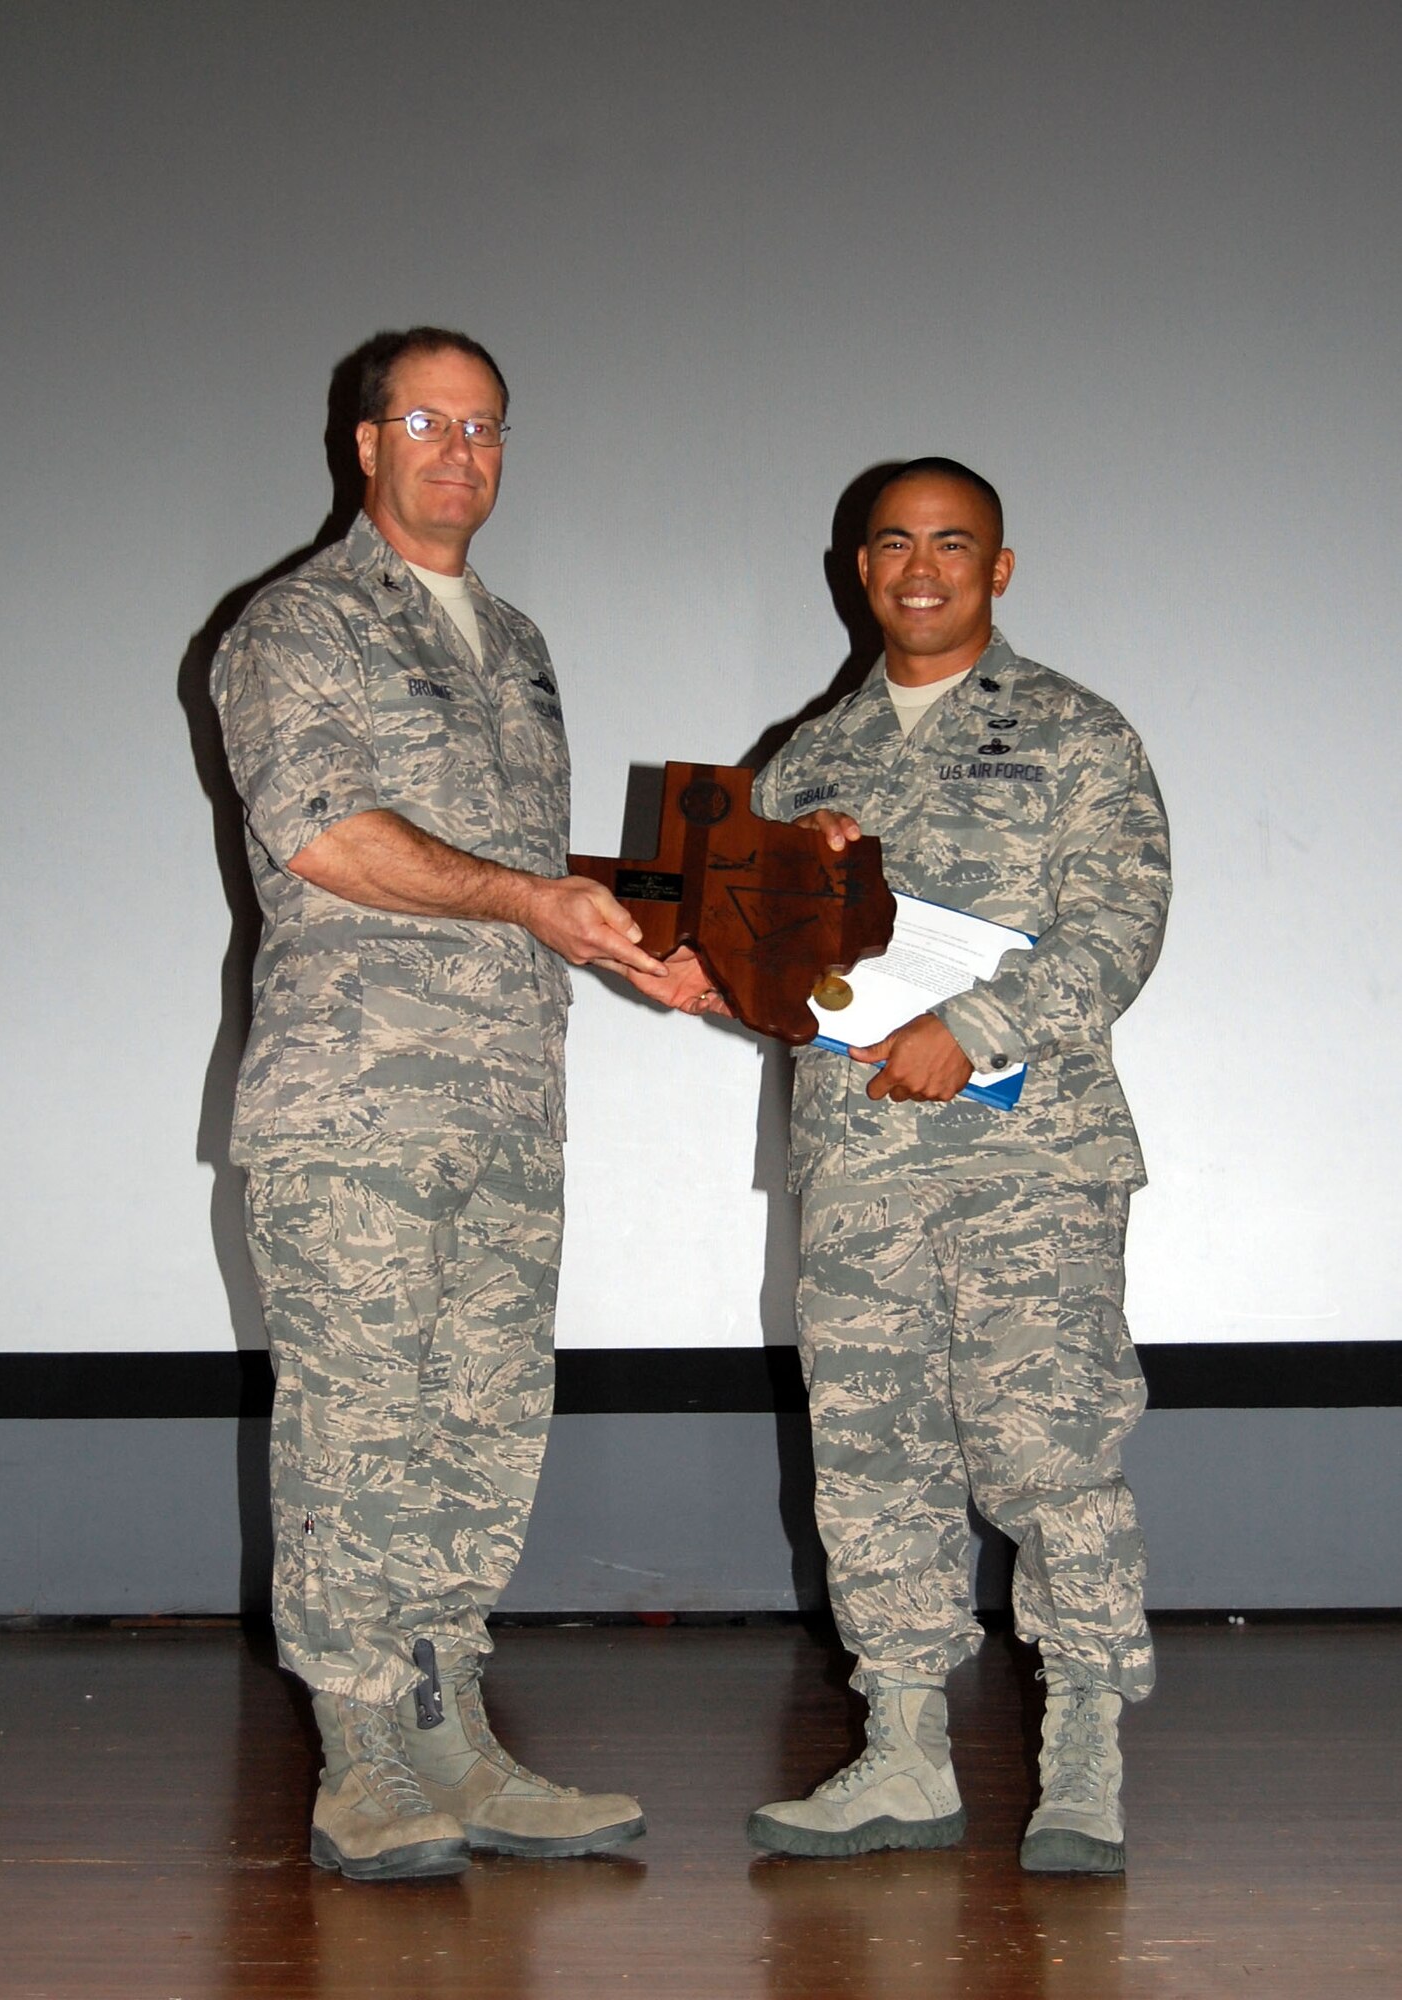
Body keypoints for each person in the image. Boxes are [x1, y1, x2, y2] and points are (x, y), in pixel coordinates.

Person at [211, 326, 699, 1880]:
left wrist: (643, 946)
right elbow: (330, 839)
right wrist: (530, 901)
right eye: (429, 422)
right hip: (355, 1102)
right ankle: (360, 1754)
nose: (461, 452)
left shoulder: (518, 639)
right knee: (358, 1428)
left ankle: (455, 1737)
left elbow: (526, 886)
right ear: (365, 443)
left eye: (488, 429)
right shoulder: (297, 624)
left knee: (484, 1424)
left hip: (505, 1103)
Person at [744, 458, 1171, 1874]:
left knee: (1051, 1453)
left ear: (1000, 566)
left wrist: (974, 1026)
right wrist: (776, 902)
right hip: (862, 1162)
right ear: (856, 568)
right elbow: (759, 968)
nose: (919, 568)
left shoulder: (1076, 734)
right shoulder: (803, 763)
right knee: (871, 1460)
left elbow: (1119, 928)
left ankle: (1085, 1752)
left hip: (1026, 1160)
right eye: (891, 545)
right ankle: (906, 1749)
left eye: (952, 543)